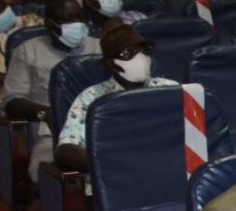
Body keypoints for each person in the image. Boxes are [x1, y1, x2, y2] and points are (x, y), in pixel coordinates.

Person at [1, 0, 100, 183]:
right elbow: (11, 101)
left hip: (98, 126)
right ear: (50, 24)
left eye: (79, 18)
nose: (76, 24)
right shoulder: (28, 50)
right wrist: (46, 113)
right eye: (67, 20)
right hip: (53, 132)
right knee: (50, 165)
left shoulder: (100, 47)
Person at [54, 24, 177, 173]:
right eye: (128, 53)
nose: (140, 58)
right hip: (114, 176)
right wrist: (109, 166)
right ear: (109, 64)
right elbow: (66, 150)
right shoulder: (92, 98)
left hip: (167, 170)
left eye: (143, 50)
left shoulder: (170, 90)